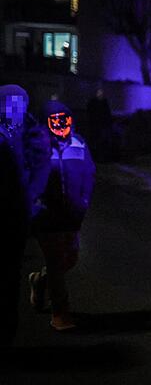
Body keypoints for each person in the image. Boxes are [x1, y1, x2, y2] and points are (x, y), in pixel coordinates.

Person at [29, 100, 95, 331]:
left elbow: (89, 173)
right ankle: (60, 314)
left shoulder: (79, 144)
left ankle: (40, 280)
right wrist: (33, 201)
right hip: (46, 216)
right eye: (54, 119)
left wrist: (84, 199)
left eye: (64, 119)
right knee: (56, 263)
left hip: (72, 216)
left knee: (70, 259)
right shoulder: (37, 146)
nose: (60, 123)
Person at [0, 84, 50, 346]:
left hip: (17, 213)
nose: (14, 108)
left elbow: (41, 168)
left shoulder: (32, 135)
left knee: (10, 274)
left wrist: (29, 198)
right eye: (9, 102)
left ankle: (7, 331)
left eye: (20, 103)